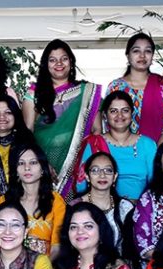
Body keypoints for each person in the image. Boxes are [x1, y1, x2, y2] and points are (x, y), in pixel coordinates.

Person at [22, 39, 103, 200]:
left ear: (71, 62)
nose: (59, 63)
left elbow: (97, 131)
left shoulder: (87, 92)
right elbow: (27, 132)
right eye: (52, 60)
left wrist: (82, 165)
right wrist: (41, 163)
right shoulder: (33, 94)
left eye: (64, 58)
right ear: (46, 64)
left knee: (73, 216)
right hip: (41, 166)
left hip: (76, 166)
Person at [80, 91, 158, 200]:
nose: (120, 115)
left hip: (140, 210)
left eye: (125, 111)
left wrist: (140, 206)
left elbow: (156, 183)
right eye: (113, 111)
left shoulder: (147, 145)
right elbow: (81, 184)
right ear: (105, 116)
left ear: (132, 114)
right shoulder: (94, 144)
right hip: (102, 208)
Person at [106, 33, 163, 144]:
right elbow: (108, 122)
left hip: (158, 152)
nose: (142, 55)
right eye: (136, 51)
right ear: (128, 55)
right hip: (122, 151)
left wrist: (154, 152)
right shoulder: (116, 87)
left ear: (152, 56)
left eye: (148, 51)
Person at [2, 146, 66, 258]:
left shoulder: (56, 201)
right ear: (15, 170)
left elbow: (56, 247)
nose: (27, 168)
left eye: (33, 162)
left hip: (46, 267)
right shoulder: (6, 200)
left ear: (42, 169)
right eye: (21, 163)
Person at [75, 152, 135, 255]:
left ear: (115, 176)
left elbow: (130, 247)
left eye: (108, 170)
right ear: (87, 176)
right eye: (95, 170)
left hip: (117, 265)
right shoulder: (75, 207)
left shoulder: (125, 207)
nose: (102, 175)